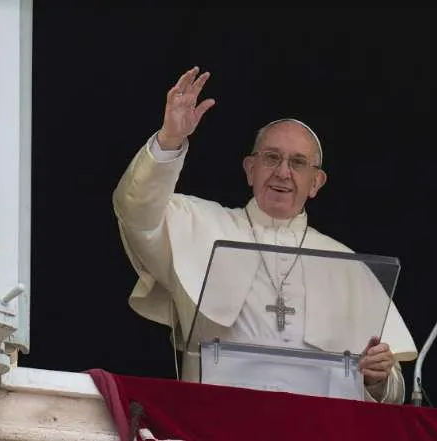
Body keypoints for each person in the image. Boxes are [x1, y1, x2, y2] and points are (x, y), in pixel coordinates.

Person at [112, 66, 417, 404]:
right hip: (218, 422)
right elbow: (135, 209)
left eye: (298, 163)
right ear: (249, 169)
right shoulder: (199, 223)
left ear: (316, 183)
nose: (283, 172)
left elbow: (391, 391)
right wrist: (170, 140)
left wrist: (379, 379)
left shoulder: (347, 266)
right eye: (271, 157)